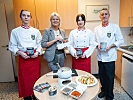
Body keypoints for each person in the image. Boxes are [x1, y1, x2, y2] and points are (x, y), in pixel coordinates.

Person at [9, 10, 42, 100]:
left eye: (28, 16)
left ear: (31, 18)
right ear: (21, 17)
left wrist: (37, 53)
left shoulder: (36, 31)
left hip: (34, 60)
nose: (26, 17)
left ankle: (35, 97)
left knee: (35, 81)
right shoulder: (15, 32)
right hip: (24, 60)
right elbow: (12, 46)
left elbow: (39, 45)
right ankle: (27, 98)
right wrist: (20, 53)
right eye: (24, 15)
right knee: (25, 82)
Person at [94, 8, 124, 100]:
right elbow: (93, 41)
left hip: (110, 57)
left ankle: (110, 95)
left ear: (109, 15)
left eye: (106, 14)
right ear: (100, 16)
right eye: (102, 14)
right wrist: (97, 45)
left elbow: (121, 40)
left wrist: (111, 46)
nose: (104, 16)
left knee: (110, 77)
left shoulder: (115, 27)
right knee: (102, 76)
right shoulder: (96, 29)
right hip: (100, 56)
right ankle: (103, 91)